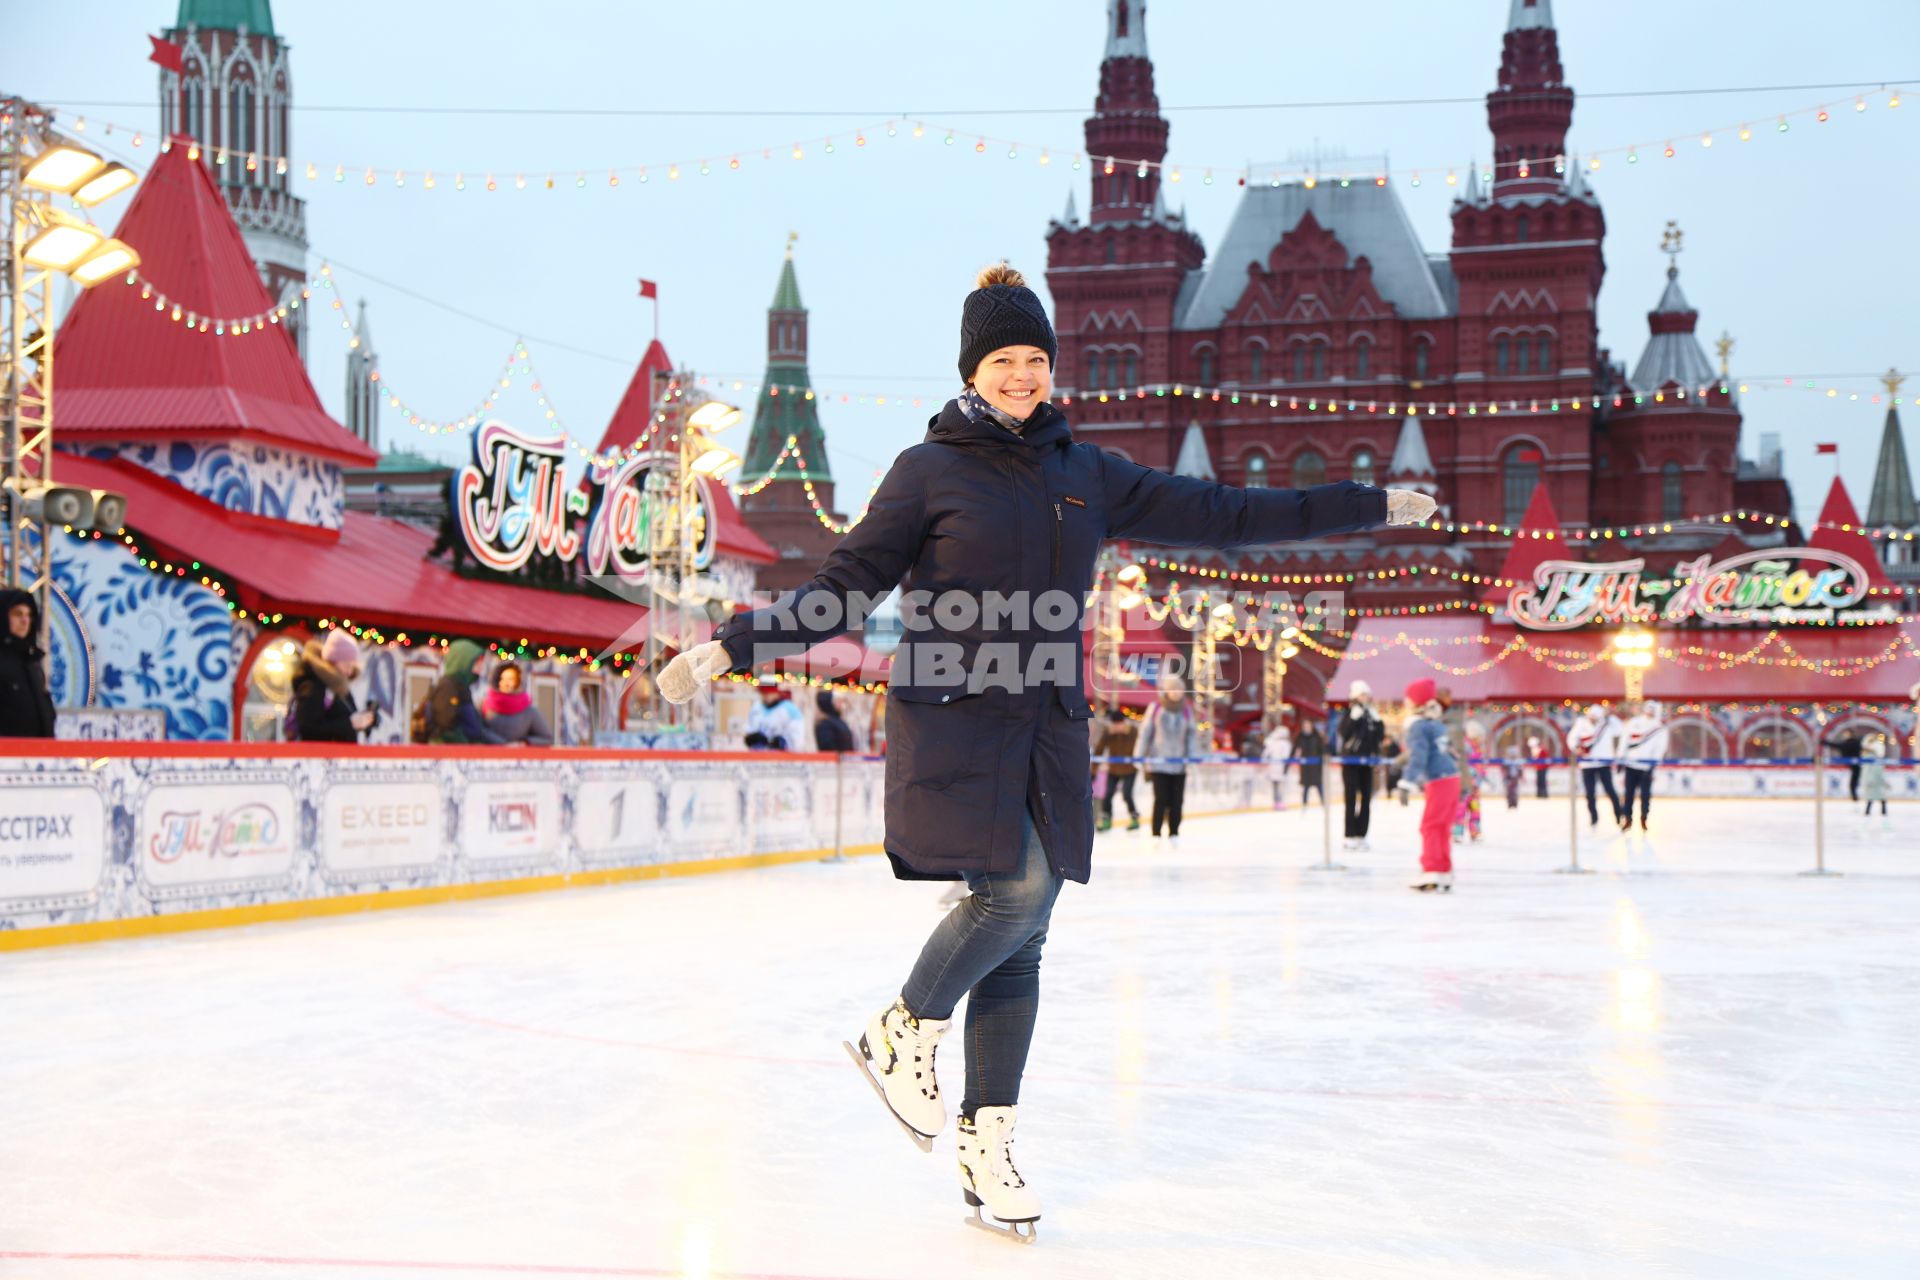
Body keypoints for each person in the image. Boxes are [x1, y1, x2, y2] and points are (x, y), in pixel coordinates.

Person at [652, 262, 1427, 1240]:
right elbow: (846, 587)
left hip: (1050, 730)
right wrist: (733, 644)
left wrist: (1369, 502)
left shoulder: (1086, 474)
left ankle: (987, 1142)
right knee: (1014, 894)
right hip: (957, 721)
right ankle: (902, 1026)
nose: (1022, 375)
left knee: (1026, 935)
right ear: (973, 370)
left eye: (1035, 359)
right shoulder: (926, 471)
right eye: (1003, 360)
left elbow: (1226, 514)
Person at [1397, 678, 1459, 892]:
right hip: (1451, 777)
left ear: (1415, 703)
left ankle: (1432, 871)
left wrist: (1407, 782)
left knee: (1431, 826)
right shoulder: (1435, 723)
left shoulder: (1417, 726)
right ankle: (1443, 871)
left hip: (1438, 779)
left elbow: (1419, 757)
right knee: (1442, 827)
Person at [1139, 673, 1203, 842]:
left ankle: (1174, 832)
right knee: (1160, 799)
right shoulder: (1156, 708)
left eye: (1179, 689)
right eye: (1173, 689)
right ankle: (1156, 834)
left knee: (1177, 800)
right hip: (1158, 763)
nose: (1176, 692)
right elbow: (1145, 733)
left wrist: (1191, 758)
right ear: (1166, 691)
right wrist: (1139, 756)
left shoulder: (1187, 711)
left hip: (1179, 765)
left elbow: (1191, 736)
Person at [289, 630, 376, 742]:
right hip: (321, 757)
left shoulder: (340, 687)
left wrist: (363, 721)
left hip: (339, 757)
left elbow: (343, 720)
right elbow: (308, 728)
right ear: (333, 661)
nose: (349, 671)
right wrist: (350, 724)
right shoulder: (314, 686)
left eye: (352, 667)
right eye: (347, 665)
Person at [0, 587, 56, 739]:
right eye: (17, 614)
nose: (25, 621)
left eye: (29, 615)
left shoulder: (33, 663)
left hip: (39, 757)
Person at [426, 639, 505, 745]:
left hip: (466, 752)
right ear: (464, 662)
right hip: (452, 754)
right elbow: (445, 726)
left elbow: (476, 728)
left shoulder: (462, 687)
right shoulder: (447, 687)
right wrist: (466, 746)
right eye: (477, 662)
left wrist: (503, 744)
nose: (481, 667)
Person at [1336, 681, 1384, 849]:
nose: (1365, 698)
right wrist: (1353, 719)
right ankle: (1349, 834)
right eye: (1362, 695)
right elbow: (1344, 733)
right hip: (1351, 761)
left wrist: (1378, 722)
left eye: (1366, 695)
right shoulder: (1350, 713)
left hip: (1367, 762)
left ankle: (1361, 834)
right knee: (1350, 799)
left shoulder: (1371, 715)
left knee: (1366, 799)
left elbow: (1378, 738)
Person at [1567, 704, 1626, 830]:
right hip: (1587, 765)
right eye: (1591, 716)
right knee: (1589, 793)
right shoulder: (1581, 723)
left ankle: (1619, 815)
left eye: (1595, 717)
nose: (1592, 719)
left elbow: (1621, 729)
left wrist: (1610, 716)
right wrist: (1576, 747)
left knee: (1610, 791)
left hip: (1604, 764)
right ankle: (1593, 818)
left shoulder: (1607, 724)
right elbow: (1571, 738)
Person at [1620, 700, 1669, 831]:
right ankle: (1628, 819)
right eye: (1648, 709)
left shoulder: (1659, 728)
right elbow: (1624, 739)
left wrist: (1654, 764)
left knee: (1645, 796)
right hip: (1631, 764)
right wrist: (1620, 757)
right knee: (1628, 794)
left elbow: (1660, 748)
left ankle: (1644, 818)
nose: (1650, 712)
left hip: (1647, 767)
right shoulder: (1634, 722)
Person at [481, 662, 553, 745]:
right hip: (489, 755)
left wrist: (524, 743)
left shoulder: (529, 711)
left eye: (511, 679)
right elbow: (479, 730)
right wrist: (503, 744)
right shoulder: (484, 705)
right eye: (503, 679)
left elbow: (546, 738)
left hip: (518, 756)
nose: (507, 684)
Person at [1093, 706, 1140, 832]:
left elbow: (1141, 747)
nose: (1118, 726)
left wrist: (1141, 762)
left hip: (1130, 769)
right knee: (1108, 795)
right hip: (1113, 770)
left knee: (1127, 794)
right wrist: (1093, 770)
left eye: (1120, 723)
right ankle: (1106, 819)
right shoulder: (1108, 733)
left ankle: (1134, 817)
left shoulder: (1133, 731)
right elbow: (1099, 750)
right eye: (1115, 724)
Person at [744, 680, 805, 751]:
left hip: (782, 758)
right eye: (764, 693)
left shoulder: (790, 709)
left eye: (769, 693)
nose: (766, 696)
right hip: (758, 757)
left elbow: (797, 738)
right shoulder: (757, 708)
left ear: (776, 692)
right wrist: (752, 738)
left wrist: (784, 742)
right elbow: (748, 729)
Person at [1820, 728, 1864, 803]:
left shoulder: (1853, 742)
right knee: (1854, 784)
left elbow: (1841, 747)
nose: (1844, 735)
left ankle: (1856, 801)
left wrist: (1825, 743)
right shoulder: (1850, 742)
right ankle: (1855, 800)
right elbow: (1840, 746)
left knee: (1855, 784)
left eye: (1846, 733)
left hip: (1857, 766)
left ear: (1850, 734)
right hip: (1854, 766)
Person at [1260, 718, 1293, 811]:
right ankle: (1278, 802)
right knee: (1279, 787)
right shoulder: (1283, 744)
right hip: (1279, 769)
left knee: (1277, 786)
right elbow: (1285, 756)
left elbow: (1265, 754)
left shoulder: (1274, 743)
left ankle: (1277, 802)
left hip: (1276, 769)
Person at [1294, 719, 1326, 808]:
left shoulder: (1317, 737)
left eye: (1308, 725)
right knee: (1306, 787)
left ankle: (1324, 804)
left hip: (1316, 767)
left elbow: (1322, 750)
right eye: (1305, 726)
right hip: (1305, 768)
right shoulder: (1300, 737)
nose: (1306, 728)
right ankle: (1304, 806)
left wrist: (1323, 759)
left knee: (1319, 786)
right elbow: (1295, 750)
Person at [814, 688, 856, 752]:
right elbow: (827, 749)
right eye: (838, 701)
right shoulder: (825, 724)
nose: (841, 705)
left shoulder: (839, 721)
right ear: (830, 703)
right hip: (835, 760)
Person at [1860, 733, 1889, 823]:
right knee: (1873, 795)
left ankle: (1881, 811)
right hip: (1871, 777)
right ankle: (1872, 811)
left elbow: (1875, 770)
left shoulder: (1874, 755)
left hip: (1874, 777)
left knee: (1877, 794)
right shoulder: (1867, 756)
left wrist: (1872, 779)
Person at [1501, 743, 1524, 810]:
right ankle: (1510, 804)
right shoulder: (1506, 761)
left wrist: (1521, 776)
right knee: (1509, 791)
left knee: (1515, 791)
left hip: (1515, 778)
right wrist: (1505, 777)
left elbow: (1520, 770)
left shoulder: (1518, 761)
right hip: (1509, 778)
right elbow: (1504, 770)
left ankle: (1515, 804)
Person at [1528, 732, 1551, 799]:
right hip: (1538, 768)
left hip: (1542, 768)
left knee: (1542, 780)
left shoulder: (1541, 749)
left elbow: (1544, 758)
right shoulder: (1536, 749)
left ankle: (1543, 794)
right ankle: (1540, 793)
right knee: (1539, 781)